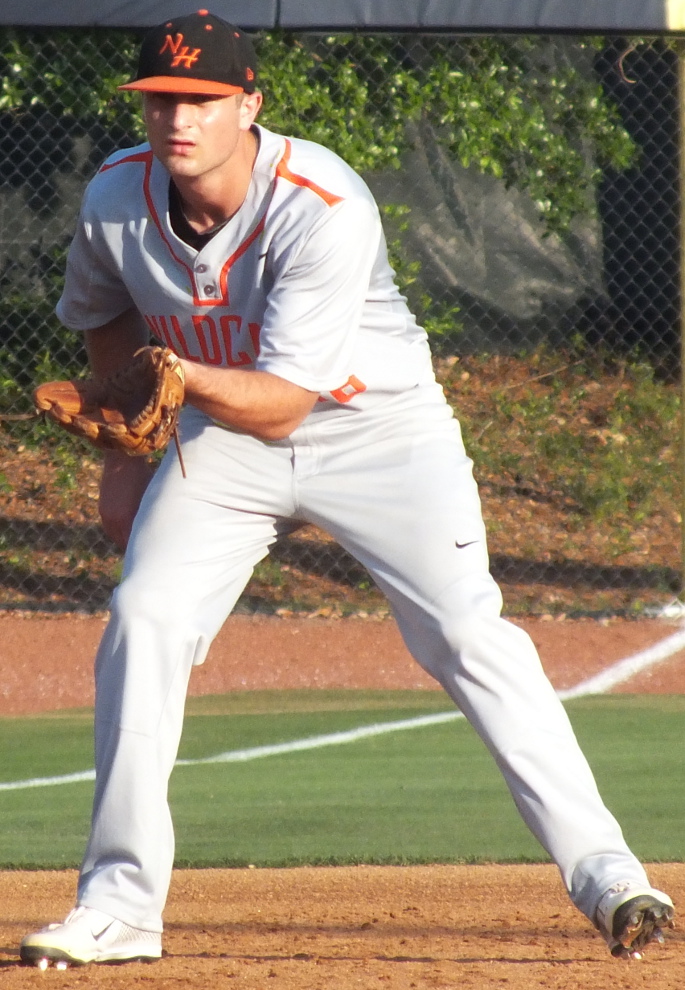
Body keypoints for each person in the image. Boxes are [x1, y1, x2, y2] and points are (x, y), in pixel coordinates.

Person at [20, 9, 674, 968]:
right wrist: (125, 458)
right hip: (222, 441)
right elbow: (106, 316)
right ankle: (119, 905)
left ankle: (609, 875)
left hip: (378, 434)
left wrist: (177, 378)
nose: (179, 118)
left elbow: (284, 403)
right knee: (143, 617)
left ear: (249, 104)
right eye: (160, 99)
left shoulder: (318, 200)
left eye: (202, 98)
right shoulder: (117, 195)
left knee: (466, 635)